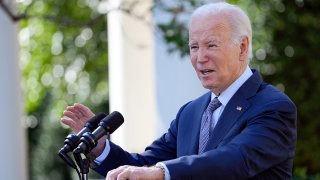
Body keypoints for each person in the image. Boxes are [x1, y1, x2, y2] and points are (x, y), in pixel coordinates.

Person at [61, 2, 297, 180]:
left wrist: (163, 172)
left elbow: (236, 159)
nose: (200, 58)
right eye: (194, 47)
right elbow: (143, 166)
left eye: (211, 45)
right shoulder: (190, 113)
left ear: (242, 47)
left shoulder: (273, 107)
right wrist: (101, 147)